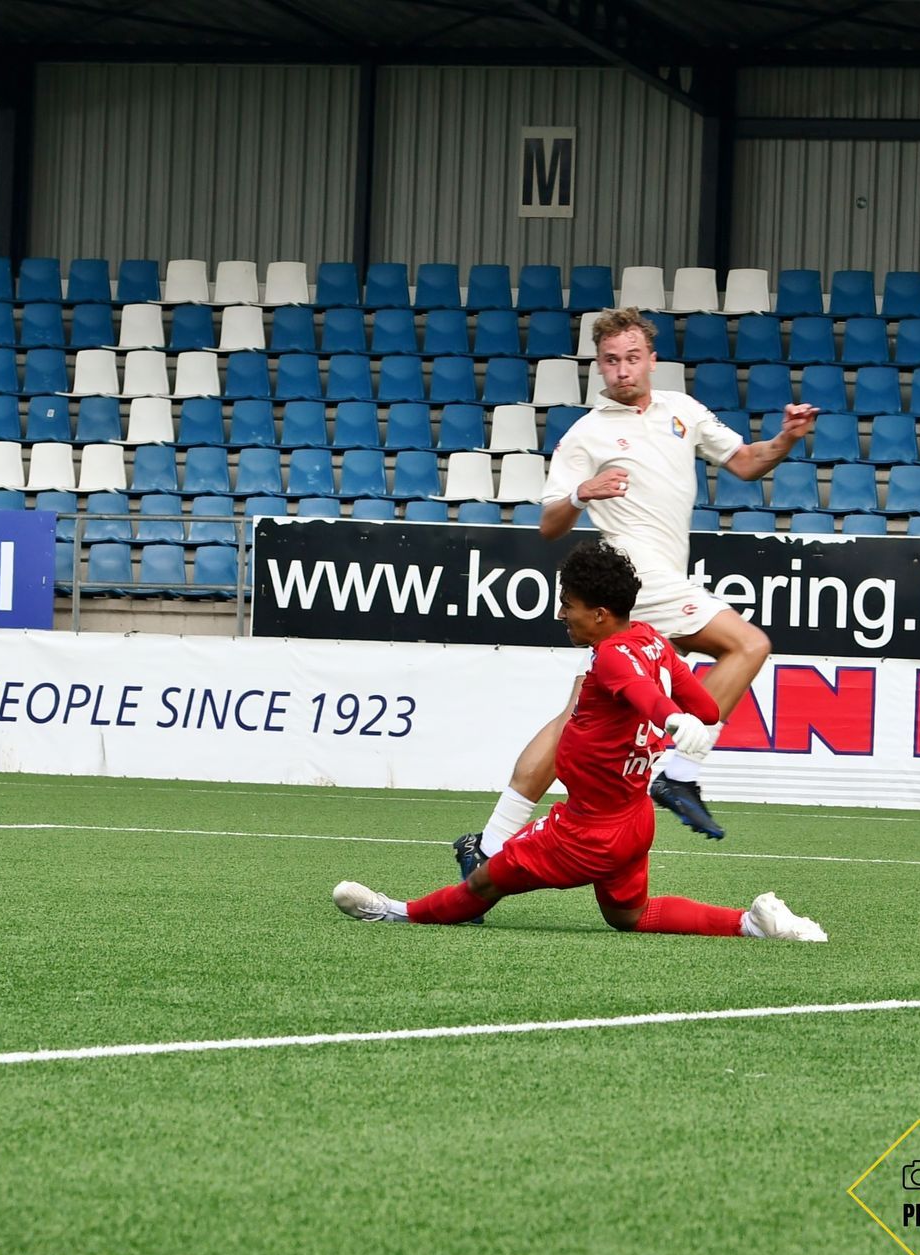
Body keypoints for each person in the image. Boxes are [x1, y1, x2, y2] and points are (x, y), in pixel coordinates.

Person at [461, 306, 816, 869]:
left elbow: (748, 463)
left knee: (577, 714)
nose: (622, 370)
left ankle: (490, 844)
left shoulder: (682, 410)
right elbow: (549, 523)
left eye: (631, 358)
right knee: (748, 644)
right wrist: (581, 493)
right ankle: (680, 772)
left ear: (652, 360)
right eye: (610, 361)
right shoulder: (587, 434)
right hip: (636, 576)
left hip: (660, 578)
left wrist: (788, 438)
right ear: (598, 367)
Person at [335, 539, 826, 942]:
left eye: (569, 605)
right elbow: (709, 709)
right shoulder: (653, 639)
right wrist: (684, 718)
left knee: (482, 879)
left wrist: (673, 720)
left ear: (600, 613)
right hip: (633, 819)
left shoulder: (611, 655)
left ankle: (393, 911)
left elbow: (638, 692)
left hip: (585, 831)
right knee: (630, 916)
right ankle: (750, 923)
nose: (562, 613)